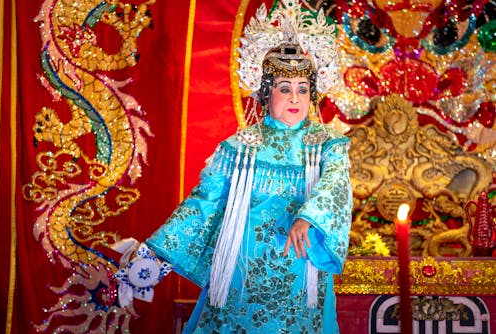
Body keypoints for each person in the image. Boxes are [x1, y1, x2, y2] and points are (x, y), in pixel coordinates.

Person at [115, 1, 352, 333]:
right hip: (242, 270)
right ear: (265, 93)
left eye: (302, 89)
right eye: (285, 89)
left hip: (302, 269)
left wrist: (308, 217)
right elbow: (203, 203)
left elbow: (336, 186)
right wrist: (154, 255)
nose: (295, 98)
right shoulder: (239, 148)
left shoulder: (327, 144)